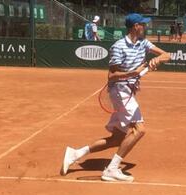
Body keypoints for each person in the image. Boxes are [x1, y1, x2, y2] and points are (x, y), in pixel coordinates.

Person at [60, 13, 170, 182]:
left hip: (129, 91)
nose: (145, 26)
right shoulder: (118, 47)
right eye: (143, 24)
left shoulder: (143, 43)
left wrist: (158, 59)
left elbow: (167, 54)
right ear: (135, 27)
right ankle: (111, 169)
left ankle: (75, 153)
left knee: (117, 138)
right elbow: (111, 76)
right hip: (120, 90)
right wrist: (132, 73)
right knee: (139, 130)